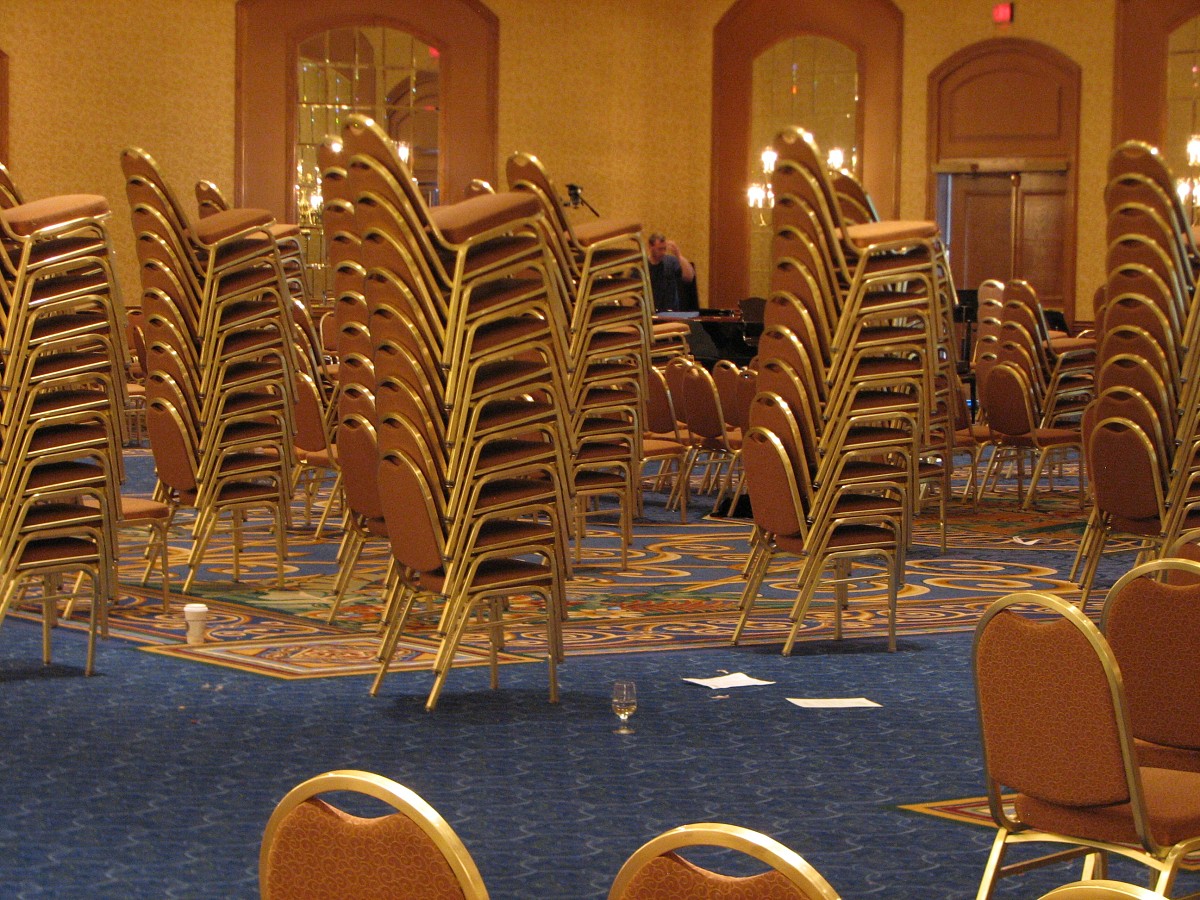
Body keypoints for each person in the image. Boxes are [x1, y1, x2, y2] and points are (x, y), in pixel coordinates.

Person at [646, 232, 696, 312]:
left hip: (670, 312)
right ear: (650, 247)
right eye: (659, 249)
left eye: (664, 249)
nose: (663, 252)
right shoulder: (642, 265)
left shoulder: (671, 261)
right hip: (649, 311)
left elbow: (689, 277)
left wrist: (678, 254)